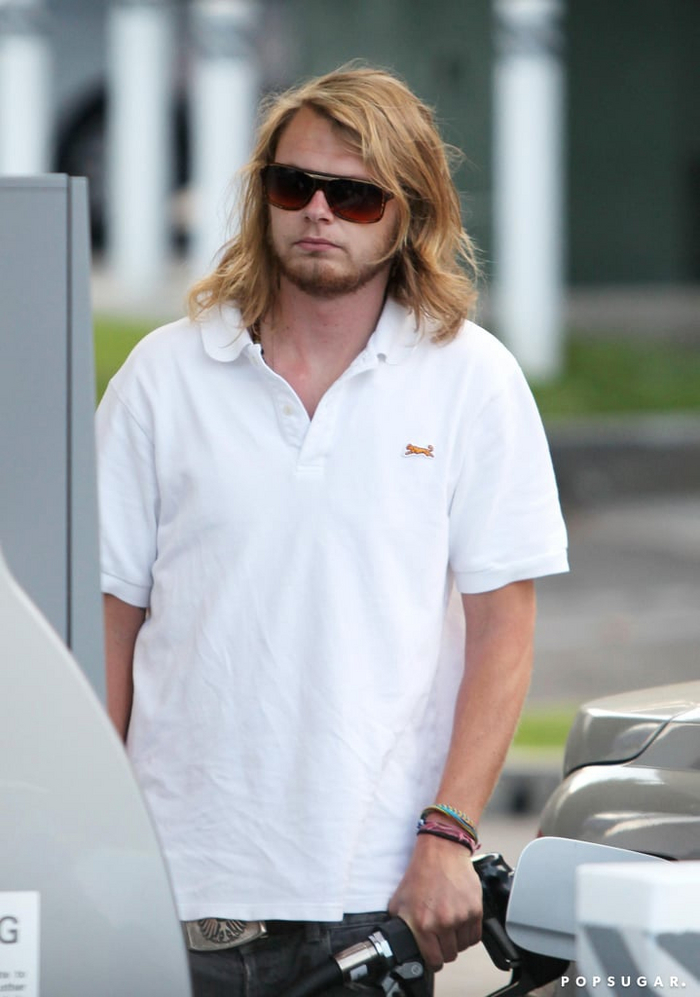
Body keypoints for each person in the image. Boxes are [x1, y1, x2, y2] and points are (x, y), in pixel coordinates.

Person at [96, 64, 568, 997]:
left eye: (354, 195)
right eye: (293, 184)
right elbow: (109, 626)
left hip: (372, 904)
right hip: (170, 892)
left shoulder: (472, 379)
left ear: (408, 212)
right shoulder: (162, 376)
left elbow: (503, 633)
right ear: (262, 195)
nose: (317, 210)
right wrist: (88, 842)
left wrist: (449, 836)